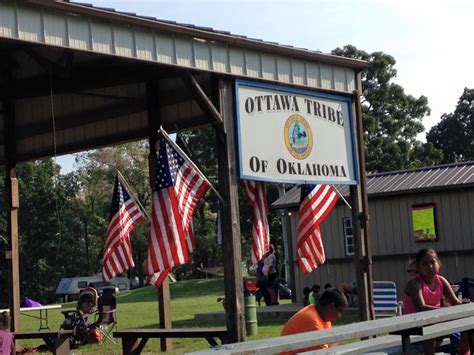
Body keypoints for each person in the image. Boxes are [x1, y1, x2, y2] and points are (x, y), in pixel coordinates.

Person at [403, 248, 469, 355]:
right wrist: (444, 312)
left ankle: (464, 353)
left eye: (433, 262)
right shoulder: (414, 283)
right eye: (424, 264)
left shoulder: (441, 281)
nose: (430, 266)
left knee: (468, 324)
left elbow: (455, 302)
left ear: (439, 264)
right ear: (418, 268)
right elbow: (421, 308)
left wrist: (467, 307)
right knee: (431, 327)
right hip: (415, 324)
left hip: (437, 319)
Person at [280, 288, 348, 354]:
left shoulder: (321, 316)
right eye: (340, 311)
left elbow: (331, 343)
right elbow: (324, 352)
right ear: (331, 307)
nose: (340, 316)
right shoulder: (312, 322)